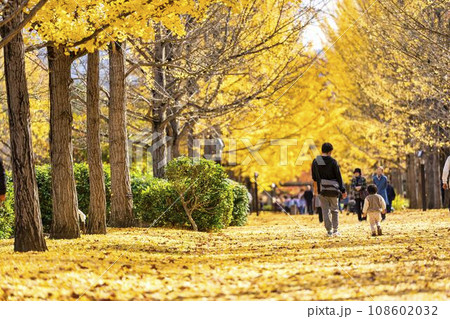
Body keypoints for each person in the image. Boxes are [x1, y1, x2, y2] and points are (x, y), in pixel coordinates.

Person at [312, 142, 347, 236]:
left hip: (321, 189)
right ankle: (335, 230)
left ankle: (329, 231)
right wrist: (343, 190)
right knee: (334, 209)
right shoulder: (333, 161)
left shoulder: (316, 161)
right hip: (333, 189)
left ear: (322, 150)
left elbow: (314, 178)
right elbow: (338, 176)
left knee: (325, 210)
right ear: (330, 151)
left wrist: (316, 190)